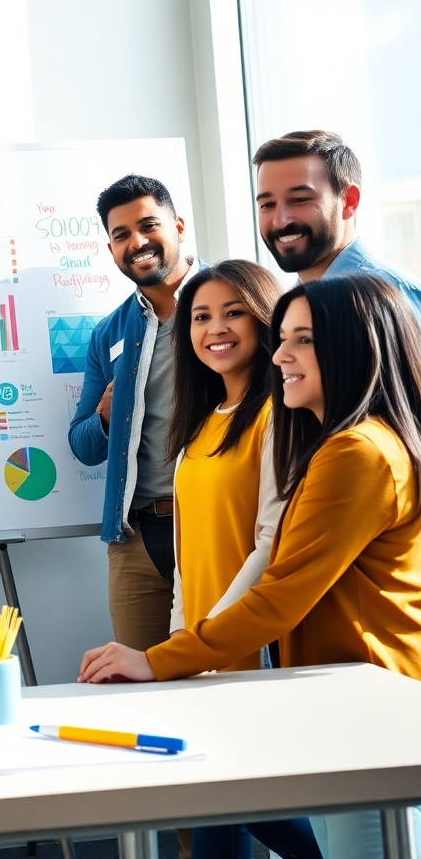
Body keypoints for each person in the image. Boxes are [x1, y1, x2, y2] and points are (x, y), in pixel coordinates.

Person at [78, 275, 421, 857]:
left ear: (355, 345)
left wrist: (161, 660)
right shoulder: (344, 441)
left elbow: (278, 590)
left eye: (303, 340)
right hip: (342, 704)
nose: (280, 354)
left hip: (364, 713)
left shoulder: (355, 452)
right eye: (283, 337)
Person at [166, 260, 319, 859]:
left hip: (244, 648)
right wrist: (183, 639)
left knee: (231, 799)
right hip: (202, 648)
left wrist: (214, 642)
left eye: (233, 312)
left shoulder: (277, 414)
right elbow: (186, 556)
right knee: (222, 809)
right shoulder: (201, 423)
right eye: (200, 317)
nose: (215, 328)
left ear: (264, 319)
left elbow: (269, 541)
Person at [69, 175, 199, 651]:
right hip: (135, 539)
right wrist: (105, 415)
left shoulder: (232, 302)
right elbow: (81, 444)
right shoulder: (110, 333)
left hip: (212, 524)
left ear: (179, 225)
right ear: (111, 249)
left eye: (148, 226)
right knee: (137, 687)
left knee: (227, 680)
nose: (137, 243)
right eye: (121, 235)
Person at [254, 129, 421, 311]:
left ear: (349, 201)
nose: (280, 221)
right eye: (267, 204)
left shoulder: (391, 297)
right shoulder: (291, 307)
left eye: (299, 199)